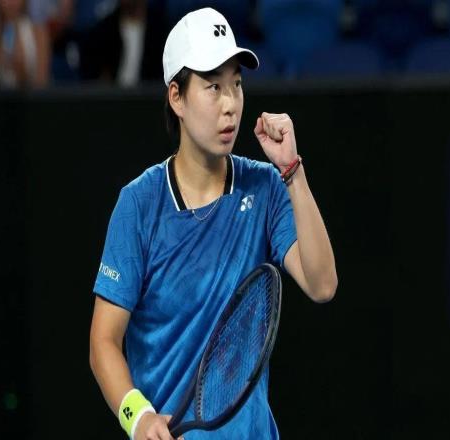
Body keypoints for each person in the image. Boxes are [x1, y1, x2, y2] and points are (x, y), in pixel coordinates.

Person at [89, 7, 338, 440]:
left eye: (236, 85)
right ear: (177, 97)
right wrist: (139, 418)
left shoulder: (266, 186)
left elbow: (322, 285)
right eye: (213, 87)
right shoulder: (139, 204)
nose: (230, 105)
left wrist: (292, 172)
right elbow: (103, 342)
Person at [0, 0, 50, 88]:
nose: (11, 3)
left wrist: (21, 72)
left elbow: (41, 80)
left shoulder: (38, 33)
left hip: (31, 94)